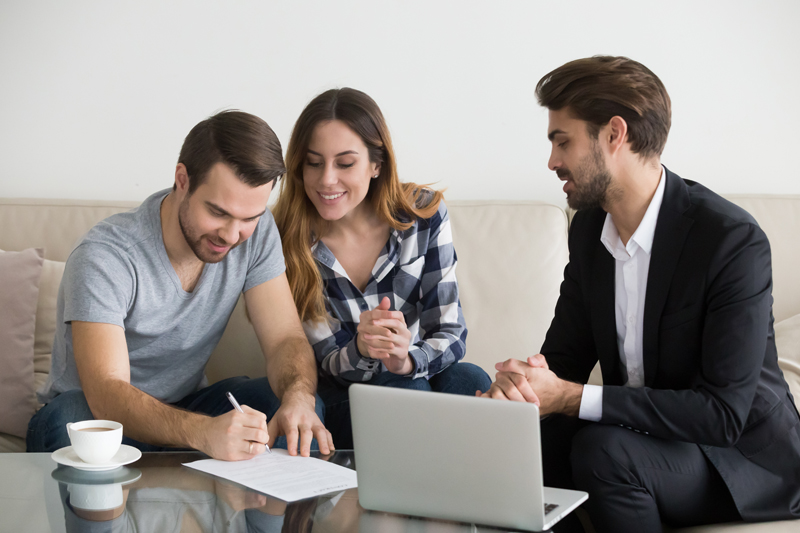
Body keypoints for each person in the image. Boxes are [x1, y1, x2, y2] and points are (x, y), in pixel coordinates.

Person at [481, 56, 800, 531]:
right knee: (528, 448)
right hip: (642, 437)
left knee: (604, 450)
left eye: (562, 141)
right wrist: (522, 390)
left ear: (614, 134)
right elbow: (563, 359)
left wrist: (570, 397)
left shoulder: (730, 240)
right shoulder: (591, 230)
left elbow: (721, 415)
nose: (552, 161)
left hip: (740, 459)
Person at [28, 110, 333, 459]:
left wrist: (298, 397)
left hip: (188, 405)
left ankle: (280, 512)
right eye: (218, 213)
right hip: (97, 416)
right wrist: (204, 433)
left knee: (295, 410)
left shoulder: (257, 233)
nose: (233, 235)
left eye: (249, 218)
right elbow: (107, 393)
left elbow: (284, 339)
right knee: (69, 422)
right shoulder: (105, 256)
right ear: (182, 179)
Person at [273, 88, 491, 447]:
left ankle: (466, 494)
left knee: (469, 379)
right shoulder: (286, 238)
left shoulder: (423, 214)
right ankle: (427, 493)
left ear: (377, 164)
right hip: (346, 395)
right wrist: (363, 347)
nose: (327, 179)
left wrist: (405, 358)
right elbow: (325, 360)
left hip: (416, 372)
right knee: (405, 389)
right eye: (314, 162)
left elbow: (450, 331)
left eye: (345, 163)